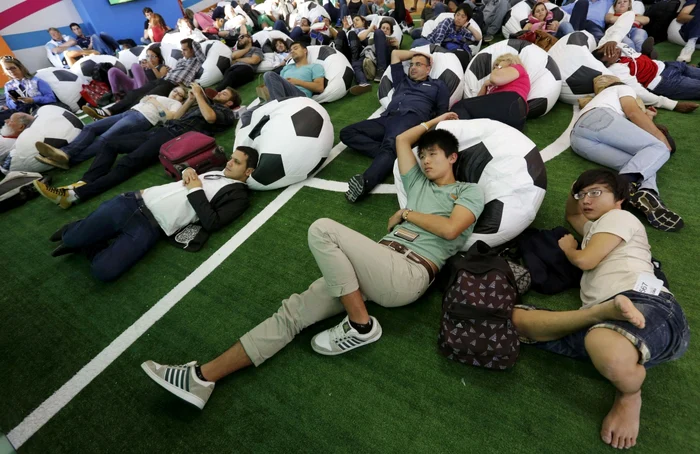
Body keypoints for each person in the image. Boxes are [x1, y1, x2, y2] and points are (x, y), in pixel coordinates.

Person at [140, 111, 485, 410]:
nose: (425, 160)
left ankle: (361, 325)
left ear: (453, 158)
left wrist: (407, 213)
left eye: (434, 154)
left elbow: (453, 229)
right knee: (292, 313)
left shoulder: (468, 191)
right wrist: (436, 121)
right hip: (375, 264)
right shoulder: (418, 182)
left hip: (409, 272)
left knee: (323, 229)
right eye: (423, 154)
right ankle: (203, 377)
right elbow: (400, 140)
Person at [512, 168, 689, 450]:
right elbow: (573, 216)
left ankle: (629, 394)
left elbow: (586, 261)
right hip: (608, 316)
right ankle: (600, 316)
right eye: (583, 195)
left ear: (619, 198)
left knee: (603, 344)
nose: (586, 200)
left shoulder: (620, 217)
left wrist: (570, 249)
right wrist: (576, 189)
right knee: (516, 320)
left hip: (647, 304)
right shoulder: (597, 228)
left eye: (596, 193)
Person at [44, 147, 257, 282]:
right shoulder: (217, 170)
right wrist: (186, 172)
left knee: (104, 271)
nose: (229, 162)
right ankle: (77, 232)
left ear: (248, 172)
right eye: (231, 158)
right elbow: (184, 171)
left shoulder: (239, 196)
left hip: (149, 227)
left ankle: (89, 239)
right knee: (70, 238)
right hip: (131, 202)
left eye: (236, 162)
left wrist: (196, 188)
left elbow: (212, 222)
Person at [33, 84, 240, 208]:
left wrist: (201, 96)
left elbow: (210, 117)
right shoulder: (202, 104)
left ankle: (73, 196)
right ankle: (82, 183)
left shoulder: (226, 113)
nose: (219, 94)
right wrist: (192, 98)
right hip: (161, 131)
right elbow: (177, 115)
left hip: (173, 138)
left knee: (128, 164)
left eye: (224, 95)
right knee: (111, 143)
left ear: (230, 103)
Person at [570, 75, 683, 232]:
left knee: (639, 163)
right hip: (599, 120)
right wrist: (660, 137)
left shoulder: (604, 100)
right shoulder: (622, 88)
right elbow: (633, 112)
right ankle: (622, 187)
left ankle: (646, 193)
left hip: (578, 140)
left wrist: (649, 117)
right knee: (660, 148)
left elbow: (628, 130)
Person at [339, 50, 450, 202]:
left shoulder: (437, 85)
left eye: (418, 64)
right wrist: (418, 53)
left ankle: (365, 182)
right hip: (387, 118)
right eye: (411, 64)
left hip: (410, 118)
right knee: (347, 133)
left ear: (428, 69)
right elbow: (396, 54)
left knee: (391, 144)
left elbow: (442, 112)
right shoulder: (402, 81)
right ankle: (392, 155)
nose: (413, 67)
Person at [35, 87, 187, 169]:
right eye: (175, 91)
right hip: (128, 113)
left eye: (180, 94)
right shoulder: (159, 96)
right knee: (90, 127)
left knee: (104, 138)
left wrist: (156, 103)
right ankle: (65, 153)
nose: (176, 94)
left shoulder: (175, 104)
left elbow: (170, 117)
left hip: (142, 119)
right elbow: (142, 100)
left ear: (182, 99)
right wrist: (154, 100)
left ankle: (70, 160)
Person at [83, 38, 205, 119]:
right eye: (182, 49)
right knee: (135, 93)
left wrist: (192, 43)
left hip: (173, 84)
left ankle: (117, 117)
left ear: (193, 50)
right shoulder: (181, 61)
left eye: (185, 49)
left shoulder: (196, 61)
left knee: (144, 99)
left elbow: (199, 52)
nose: (182, 52)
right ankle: (108, 111)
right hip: (163, 80)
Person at [593, 38, 700, 111]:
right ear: (607, 63)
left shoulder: (617, 47)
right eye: (610, 53)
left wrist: (612, 40)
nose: (615, 49)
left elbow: (624, 21)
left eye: (608, 48)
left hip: (669, 65)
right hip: (665, 81)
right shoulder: (617, 70)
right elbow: (639, 92)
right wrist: (673, 105)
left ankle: (648, 54)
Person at [450, 53, 531, 130]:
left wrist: (500, 66)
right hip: (516, 115)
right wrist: (485, 85)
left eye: (497, 65)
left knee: (461, 106)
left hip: (510, 100)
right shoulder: (499, 85)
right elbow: (478, 102)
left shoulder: (518, 68)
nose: (495, 69)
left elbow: (495, 79)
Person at [411, 5, 481, 70]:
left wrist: (468, 26)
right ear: (454, 15)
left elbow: (478, 38)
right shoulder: (448, 22)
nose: (459, 18)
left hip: (441, 49)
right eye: (458, 14)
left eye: (463, 17)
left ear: (467, 20)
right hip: (430, 43)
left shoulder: (463, 31)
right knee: (417, 43)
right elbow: (438, 42)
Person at [256, 41, 325, 101]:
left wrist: (298, 82)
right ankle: (276, 105)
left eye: (295, 48)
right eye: (291, 50)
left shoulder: (314, 67)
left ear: (305, 51)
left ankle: (277, 107)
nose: (292, 51)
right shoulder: (286, 68)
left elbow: (319, 87)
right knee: (249, 113)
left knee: (269, 74)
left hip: (300, 96)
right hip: (283, 96)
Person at [1, 56, 60, 123]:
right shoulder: (8, 85)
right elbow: (9, 104)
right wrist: (15, 101)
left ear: (20, 68)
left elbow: (51, 98)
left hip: (40, 109)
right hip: (21, 112)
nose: (11, 71)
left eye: (13, 68)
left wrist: (33, 100)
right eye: (7, 69)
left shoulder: (36, 81)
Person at [349, 19, 399, 90]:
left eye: (387, 29)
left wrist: (397, 46)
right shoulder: (372, 35)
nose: (385, 30)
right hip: (370, 54)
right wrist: (370, 29)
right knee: (356, 64)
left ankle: (381, 70)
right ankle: (363, 83)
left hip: (383, 59)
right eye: (383, 28)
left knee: (379, 33)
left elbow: (396, 59)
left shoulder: (393, 42)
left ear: (390, 33)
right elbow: (360, 39)